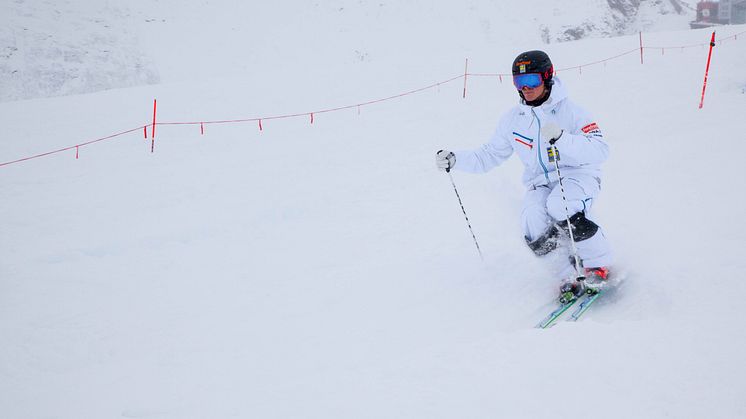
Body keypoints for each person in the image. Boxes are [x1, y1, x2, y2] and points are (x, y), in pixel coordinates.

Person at [436, 50, 612, 302]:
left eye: (532, 81)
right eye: (519, 83)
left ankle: (598, 264)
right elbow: (488, 155)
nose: (526, 89)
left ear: (548, 77)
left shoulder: (572, 112)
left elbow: (600, 150)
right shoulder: (514, 119)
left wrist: (563, 139)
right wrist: (456, 159)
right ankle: (566, 275)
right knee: (531, 219)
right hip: (539, 182)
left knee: (561, 205)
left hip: (578, 175)